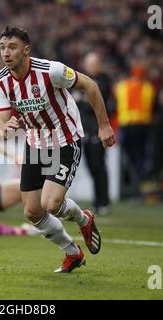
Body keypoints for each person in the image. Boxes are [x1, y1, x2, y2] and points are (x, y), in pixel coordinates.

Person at [0, 26, 115, 273]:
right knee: (32, 211)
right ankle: (72, 253)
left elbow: (90, 85)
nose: (6, 53)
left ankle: (84, 219)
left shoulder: (52, 71)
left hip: (65, 140)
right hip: (35, 144)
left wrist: (104, 125)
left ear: (26, 50)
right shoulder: (0, 82)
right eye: (3, 47)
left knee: (51, 203)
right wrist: (5, 128)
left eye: (12, 47)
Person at [73, 52, 112, 215]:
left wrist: (80, 98)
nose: (90, 67)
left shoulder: (103, 80)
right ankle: (98, 201)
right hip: (85, 130)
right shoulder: (85, 80)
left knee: (99, 166)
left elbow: (91, 103)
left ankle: (103, 201)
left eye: (93, 63)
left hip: (98, 129)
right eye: (88, 64)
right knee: (91, 166)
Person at [114, 63, 156, 198]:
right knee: (140, 157)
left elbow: (116, 105)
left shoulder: (121, 86)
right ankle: (137, 189)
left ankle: (129, 188)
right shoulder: (149, 87)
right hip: (142, 126)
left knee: (127, 158)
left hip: (126, 125)